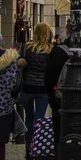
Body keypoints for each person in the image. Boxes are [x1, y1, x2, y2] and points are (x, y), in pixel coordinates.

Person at [19, 23, 53, 158]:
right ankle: (37, 146)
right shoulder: (50, 50)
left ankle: (28, 146)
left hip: (28, 87)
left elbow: (23, 65)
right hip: (42, 88)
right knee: (39, 119)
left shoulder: (28, 48)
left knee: (29, 117)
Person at [44, 36, 71, 156]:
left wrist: (52, 96)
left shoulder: (56, 53)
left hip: (58, 97)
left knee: (58, 128)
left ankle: (58, 152)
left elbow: (49, 77)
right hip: (76, 99)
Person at [0, 32, 20, 160]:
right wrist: (12, 100)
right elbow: (14, 83)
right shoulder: (10, 60)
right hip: (4, 107)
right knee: (1, 143)